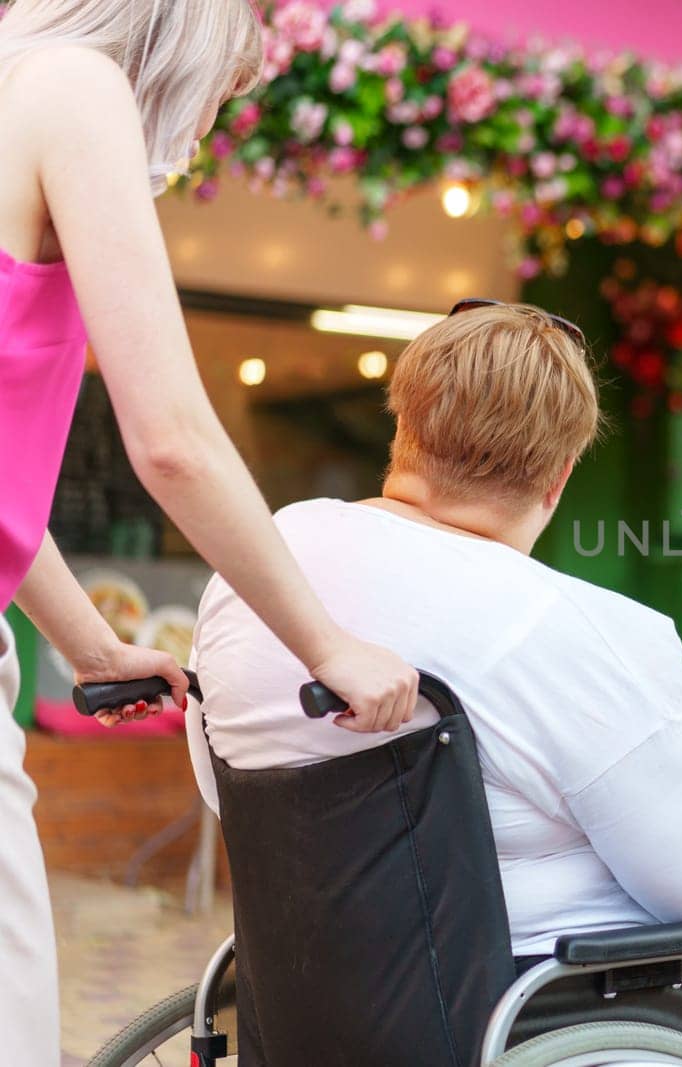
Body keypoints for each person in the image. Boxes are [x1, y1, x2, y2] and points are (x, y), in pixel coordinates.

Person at [186, 302, 682, 1066]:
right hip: (534, 1002)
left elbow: (232, 788)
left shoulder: (264, 565)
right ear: (558, 475)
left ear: (404, 423)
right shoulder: (584, 629)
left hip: (310, 993)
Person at [0, 3, 419, 1062]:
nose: (257, 63)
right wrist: (327, 644)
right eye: (254, 29)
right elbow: (174, 438)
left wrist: (88, 643)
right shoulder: (72, 87)